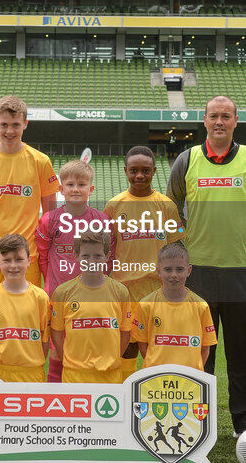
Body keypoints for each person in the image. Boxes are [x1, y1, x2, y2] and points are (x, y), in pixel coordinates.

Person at [166, 95, 246, 437]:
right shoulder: (187, 161)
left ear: (235, 121)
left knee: (244, 349)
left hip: (242, 272)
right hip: (197, 273)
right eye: (213, 116)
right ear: (204, 121)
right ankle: (196, 420)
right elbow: (171, 211)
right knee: (197, 351)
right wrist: (183, 254)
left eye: (225, 116)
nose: (219, 121)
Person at [0, 95, 60, 297]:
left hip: (27, 255)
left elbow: (50, 215)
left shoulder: (40, 161)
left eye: (15, 125)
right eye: (4, 124)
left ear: (25, 124)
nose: (9, 131)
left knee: (26, 314)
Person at [104, 145, 184, 381]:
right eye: (134, 170)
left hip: (157, 292)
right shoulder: (114, 206)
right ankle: (123, 397)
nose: (140, 175)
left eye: (145, 171)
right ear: (125, 171)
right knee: (126, 347)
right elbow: (106, 250)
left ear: (154, 171)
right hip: (124, 292)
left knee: (155, 349)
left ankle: (153, 394)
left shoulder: (166, 205)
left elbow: (177, 247)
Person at [36, 159, 115, 382]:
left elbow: (110, 256)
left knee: (85, 342)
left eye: (81, 185)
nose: (75, 189)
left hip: (91, 295)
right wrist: (51, 283)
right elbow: (43, 256)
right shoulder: (49, 220)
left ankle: (88, 392)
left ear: (91, 189)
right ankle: (55, 395)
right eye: (70, 185)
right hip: (58, 294)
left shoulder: (102, 220)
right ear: (61, 189)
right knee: (57, 346)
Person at [50, 231, 131, 383]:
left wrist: (112, 359)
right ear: (77, 256)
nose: (91, 261)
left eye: (98, 256)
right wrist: (68, 360)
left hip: (110, 375)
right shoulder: (63, 293)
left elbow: (125, 333)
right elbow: (56, 332)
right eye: (86, 256)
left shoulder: (120, 292)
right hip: (75, 375)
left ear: (107, 256)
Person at [132, 243, 216, 372]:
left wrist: (193, 370)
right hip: (156, 377)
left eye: (179, 269)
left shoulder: (201, 306)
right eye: (168, 269)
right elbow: (143, 344)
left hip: (190, 379)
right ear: (158, 270)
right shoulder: (146, 305)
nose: (174, 275)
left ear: (189, 271)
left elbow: (205, 348)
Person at [0, 234, 52, 382]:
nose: (13, 265)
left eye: (19, 259)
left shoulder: (41, 298)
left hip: (32, 374)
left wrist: (31, 362)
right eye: (7, 260)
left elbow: (45, 340)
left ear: (29, 260)